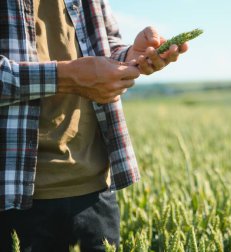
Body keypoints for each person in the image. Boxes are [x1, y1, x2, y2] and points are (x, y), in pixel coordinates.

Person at [0, 0, 188, 251]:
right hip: (14, 195)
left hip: (96, 188)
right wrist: (65, 77)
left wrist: (132, 56)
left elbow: (104, 43)